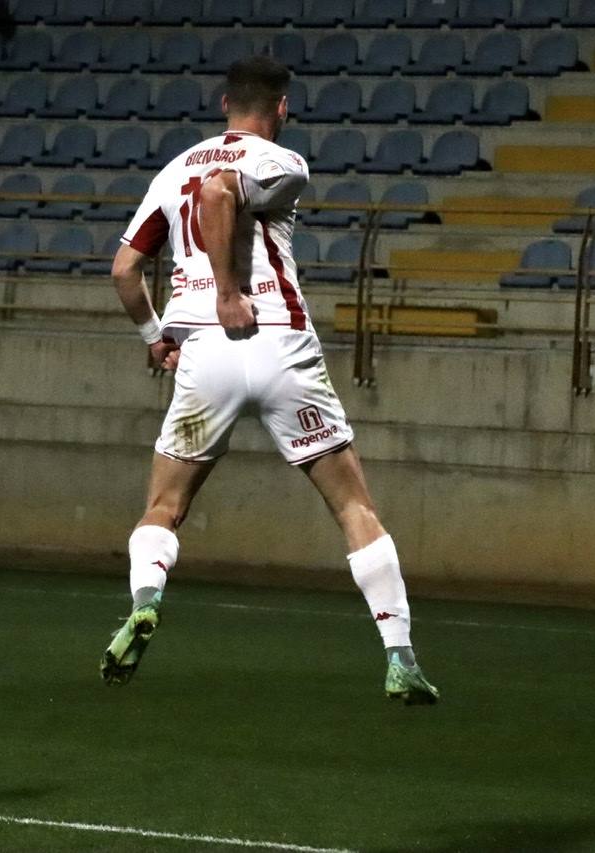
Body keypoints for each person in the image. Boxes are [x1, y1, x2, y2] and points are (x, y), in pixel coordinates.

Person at [100, 56, 440, 705]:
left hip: (203, 354)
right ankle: (400, 656)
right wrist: (231, 293)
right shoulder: (283, 162)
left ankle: (146, 602)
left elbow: (124, 268)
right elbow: (223, 191)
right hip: (278, 341)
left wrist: (155, 337)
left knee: (164, 507)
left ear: (223, 101)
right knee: (353, 506)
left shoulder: (175, 169)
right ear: (281, 108)